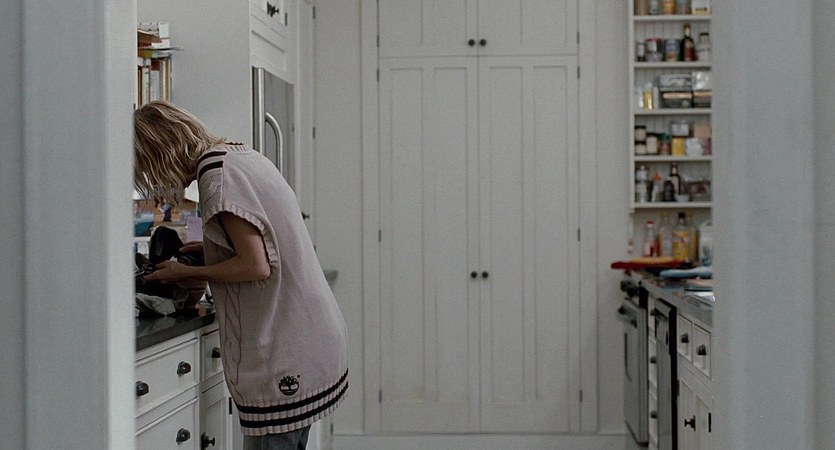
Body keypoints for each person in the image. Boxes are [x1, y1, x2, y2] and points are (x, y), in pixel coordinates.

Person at [134, 100, 348, 449]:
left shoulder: (216, 175)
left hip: (285, 349)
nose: (157, 182)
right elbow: (266, 244)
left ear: (162, 153)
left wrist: (181, 272)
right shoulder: (239, 155)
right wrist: (210, 250)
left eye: (149, 170)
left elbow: (255, 266)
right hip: (310, 336)